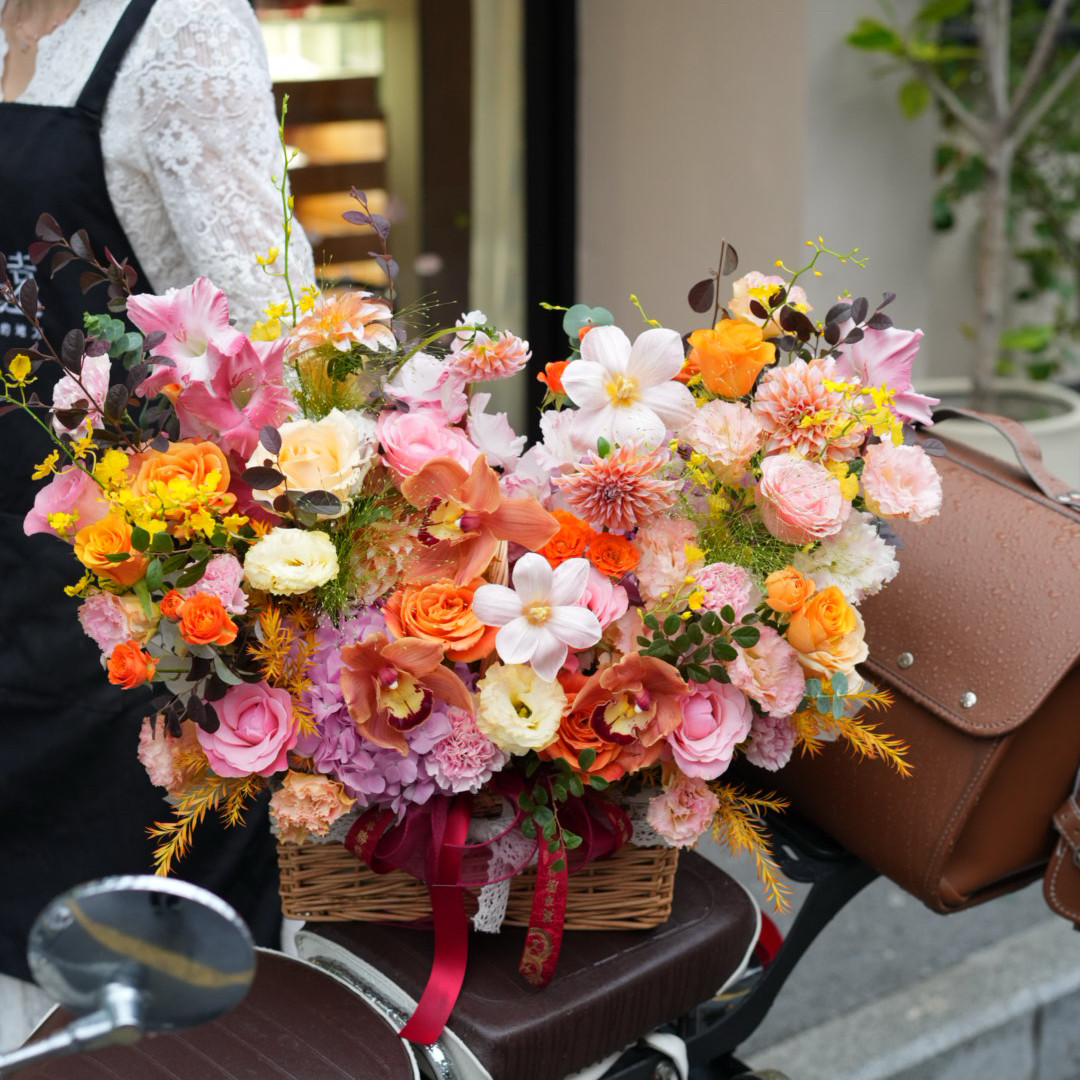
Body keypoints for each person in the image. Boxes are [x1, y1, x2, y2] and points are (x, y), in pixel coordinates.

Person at [0, 0, 316, 1009]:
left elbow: (276, 343)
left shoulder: (176, 28)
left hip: (131, 613)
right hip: (7, 579)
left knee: (136, 1000)